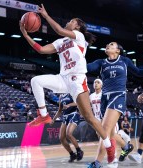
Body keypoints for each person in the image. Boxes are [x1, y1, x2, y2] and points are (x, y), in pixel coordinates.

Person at [20, 4, 115, 161]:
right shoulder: (60, 42)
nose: (68, 22)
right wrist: (25, 34)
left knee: (90, 118)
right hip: (63, 79)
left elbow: (58, 29)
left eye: (71, 21)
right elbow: (41, 49)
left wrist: (45, 15)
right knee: (35, 80)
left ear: (76, 25)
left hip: (77, 79)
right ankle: (43, 115)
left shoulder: (79, 36)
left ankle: (108, 145)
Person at [86, 42, 143, 167]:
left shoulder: (124, 60)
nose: (107, 45)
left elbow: (138, 72)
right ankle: (126, 146)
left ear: (118, 50)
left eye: (111, 44)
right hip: (104, 99)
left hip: (118, 96)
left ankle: (97, 162)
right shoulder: (101, 62)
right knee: (111, 133)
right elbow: (88, 67)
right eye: (107, 44)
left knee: (104, 131)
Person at [88, 78, 133, 167]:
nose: (96, 84)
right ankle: (126, 147)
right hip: (97, 118)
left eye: (98, 82)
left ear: (101, 85)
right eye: (95, 82)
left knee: (108, 135)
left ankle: (113, 156)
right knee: (105, 135)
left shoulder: (104, 93)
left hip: (107, 117)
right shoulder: (91, 96)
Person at [50, 93, 83, 163]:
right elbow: (59, 110)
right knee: (61, 138)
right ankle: (72, 154)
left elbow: (78, 103)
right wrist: (53, 119)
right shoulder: (60, 96)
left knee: (69, 134)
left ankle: (79, 150)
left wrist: (69, 105)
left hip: (73, 114)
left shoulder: (70, 93)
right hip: (65, 116)